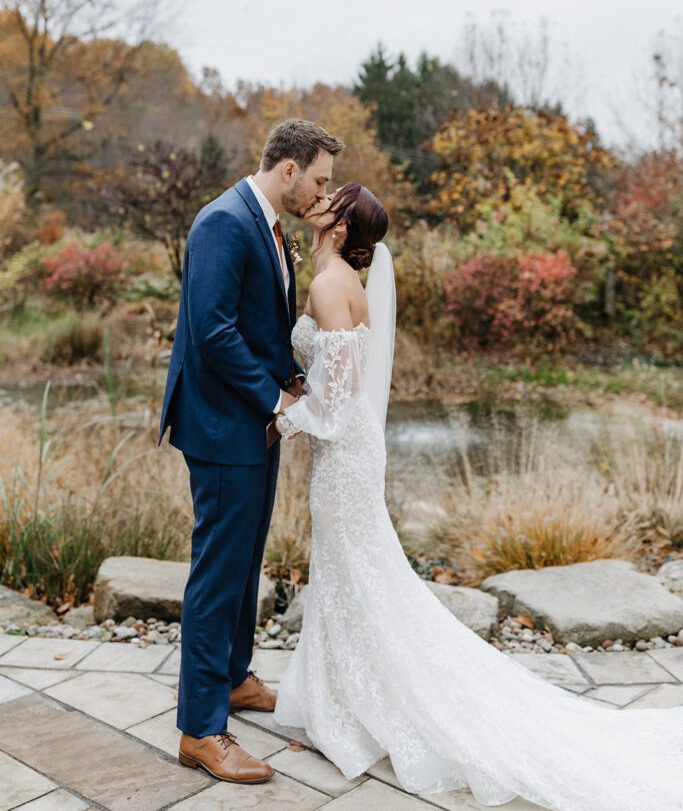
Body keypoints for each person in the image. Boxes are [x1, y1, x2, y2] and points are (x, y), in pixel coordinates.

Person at [272, 181, 683, 811]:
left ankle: (365, 709)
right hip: (348, 454)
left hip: (344, 459)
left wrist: (281, 418)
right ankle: (345, 699)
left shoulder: (330, 287)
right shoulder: (335, 281)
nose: (319, 198)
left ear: (339, 225)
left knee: (354, 575)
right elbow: (334, 379)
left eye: (332, 198)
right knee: (352, 576)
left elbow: (338, 398)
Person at [158, 118, 344, 784]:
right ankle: (201, 729)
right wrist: (277, 398)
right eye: (319, 178)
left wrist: (287, 385)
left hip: (252, 425)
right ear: (288, 169)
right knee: (217, 574)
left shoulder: (266, 225)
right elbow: (211, 330)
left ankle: (234, 677)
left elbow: (258, 324)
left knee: (244, 562)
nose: (322, 191)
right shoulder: (222, 222)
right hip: (221, 427)